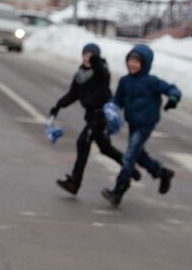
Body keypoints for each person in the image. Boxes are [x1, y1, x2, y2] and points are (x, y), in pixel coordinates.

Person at [49, 43, 140, 195]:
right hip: (91, 116)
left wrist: (96, 60)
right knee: (106, 149)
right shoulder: (80, 74)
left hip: (101, 116)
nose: (86, 58)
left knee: (82, 142)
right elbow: (73, 94)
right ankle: (130, 168)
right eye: (84, 54)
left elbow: (102, 73)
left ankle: (74, 182)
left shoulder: (101, 72)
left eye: (90, 55)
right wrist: (58, 106)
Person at [102, 45, 182, 207]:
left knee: (130, 155)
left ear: (145, 64)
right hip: (133, 122)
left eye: (136, 61)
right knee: (138, 154)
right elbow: (117, 100)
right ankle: (161, 172)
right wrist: (111, 110)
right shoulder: (124, 81)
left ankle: (118, 190)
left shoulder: (152, 82)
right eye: (130, 60)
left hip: (146, 123)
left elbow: (172, 89)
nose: (132, 64)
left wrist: (173, 99)